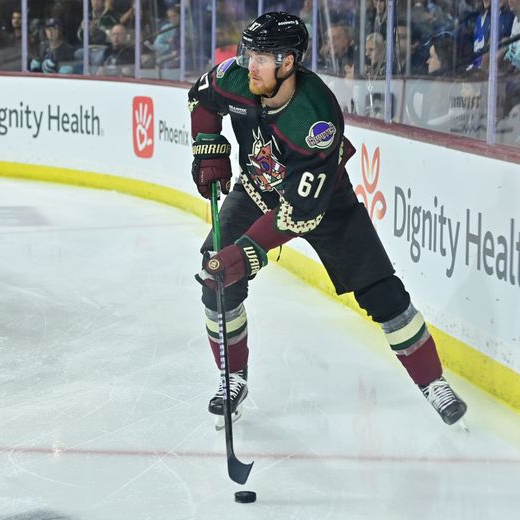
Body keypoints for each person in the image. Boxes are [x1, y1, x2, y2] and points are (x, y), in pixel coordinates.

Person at [188, 12, 467, 428]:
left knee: (383, 293)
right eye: (249, 53)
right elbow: (202, 97)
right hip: (256, 189)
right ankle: (232, 377)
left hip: (324, 203)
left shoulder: (315, 120)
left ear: (289, 63)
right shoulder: (237, 77)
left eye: (263, 57)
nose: (251, 64)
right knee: (216, 282)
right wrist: (209, 148)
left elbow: (299, 213)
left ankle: (434, 383)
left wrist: (246, 254)